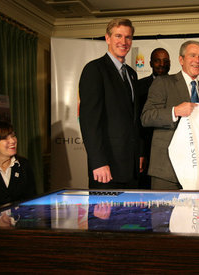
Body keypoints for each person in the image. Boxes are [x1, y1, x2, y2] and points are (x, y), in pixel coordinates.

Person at [79, 18, 144, 189]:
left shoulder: (131, 74)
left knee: (131, 216)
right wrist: (98, 162)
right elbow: (89, 121)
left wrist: (138, 153)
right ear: (107, 38)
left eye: (128, 37)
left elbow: (133, 120)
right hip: (106, 170)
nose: (123, 42)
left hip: (130, 168)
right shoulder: (94, 70)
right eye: (118, 36)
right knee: (106, 216)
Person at [141, 40, 199, 190]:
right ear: (181, 60)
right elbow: (146, 117)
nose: (197, 60)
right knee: (163, 213)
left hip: (198, 173)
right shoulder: (163, 83)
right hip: (167, 172)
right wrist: (174, 111)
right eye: (192, 55)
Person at [136, 48, 171, 189]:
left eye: (165, 61)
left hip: (169, 150)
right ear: (150, 63)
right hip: (146, 148)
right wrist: (140, 152)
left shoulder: (177, 84)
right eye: (157, 60)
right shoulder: (139, 86)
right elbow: (137, 122)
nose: (161, 64)